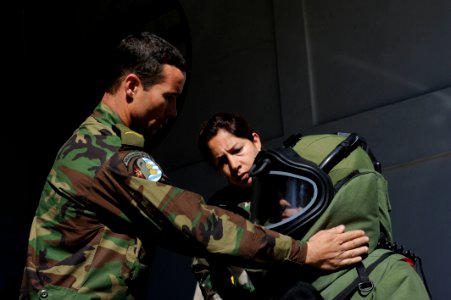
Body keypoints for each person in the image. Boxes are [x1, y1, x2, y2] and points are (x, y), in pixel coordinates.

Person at [19, 32, 370, 300]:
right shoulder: (107, 155)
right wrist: (304, 252)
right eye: (169, 98)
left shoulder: (94, 143)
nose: (173, 112)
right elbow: (197, 223)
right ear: (131, 86)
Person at [193, 112, 431, 299]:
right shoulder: (218, 213)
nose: (234, 164)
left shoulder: (298, 171)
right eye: (222, 161)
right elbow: (210, 278)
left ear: (255, 140)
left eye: (237, 150)